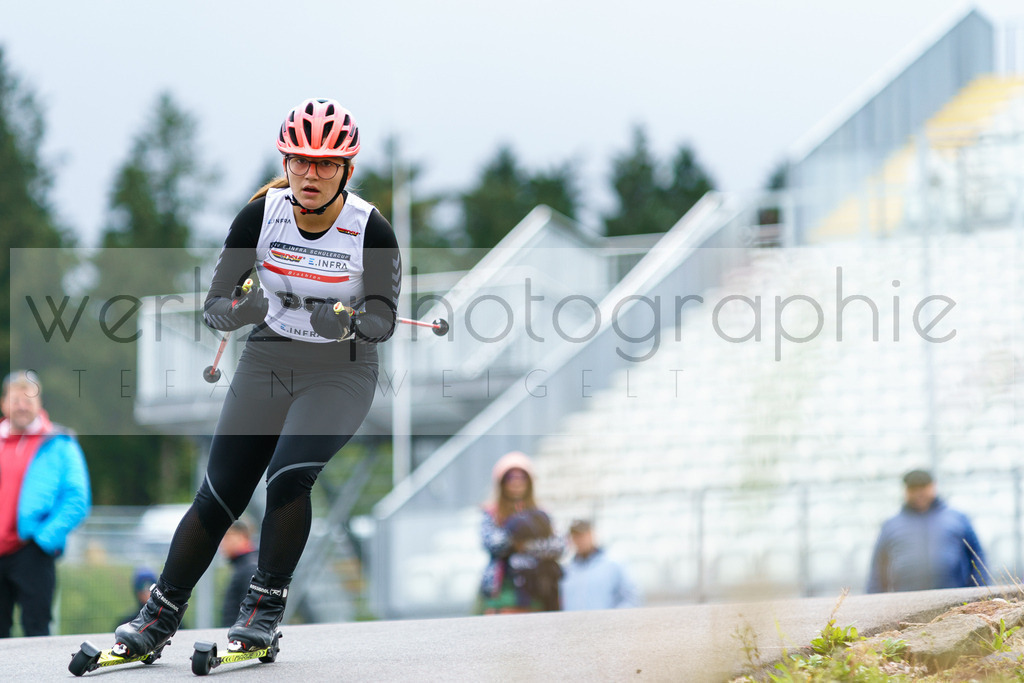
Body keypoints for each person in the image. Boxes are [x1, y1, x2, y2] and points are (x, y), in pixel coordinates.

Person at [113, 97, 401, 656]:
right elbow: (216, 303)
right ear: (286, 161)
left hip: (341, 371)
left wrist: (347, 321)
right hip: (269, 358)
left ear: (347, 169)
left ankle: (264, 607)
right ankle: (159, 614)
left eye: (325, 164)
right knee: (220, 493)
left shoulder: (371, 228)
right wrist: (239, 311)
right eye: (300, 160)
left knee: (289, 475)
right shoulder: (260, 214)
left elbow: (384, 319)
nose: (310, 174)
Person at [0, 370, 91, 637]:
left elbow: (77, 500)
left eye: (29, 399)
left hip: (33, 552)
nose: (22, 405)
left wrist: (42, 541)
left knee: (36, 632)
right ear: (4, 403)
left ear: (40, 404)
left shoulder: (60, 443)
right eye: (15, 399)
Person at [866, 469, 988, 593]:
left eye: (923, 487)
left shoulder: (957, 519)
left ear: (933, 486)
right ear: (905, 491)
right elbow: (878, 568)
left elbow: (977, 558)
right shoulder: (891, 526)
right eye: (913, 489)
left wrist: (980, 594)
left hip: (954, 597)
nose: (919, 493)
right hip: (906, 600)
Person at [479, 452, 564, 614]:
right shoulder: (491, 513)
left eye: (522, 477)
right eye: (511, 477)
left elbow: (559, 545)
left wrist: (523, 544)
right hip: (504, 588)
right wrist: (518, 530)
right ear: (502, 482)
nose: (517, 482)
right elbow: (493, 544)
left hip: (537, 588)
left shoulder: (542, 513)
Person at [560, 519, 641, 611]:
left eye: (582, 535)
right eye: (575, 536)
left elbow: (631, 599)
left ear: (591, 534)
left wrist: (612, 619)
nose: (579, 540)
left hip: (607, 624)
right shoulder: (567, 569)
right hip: (573, 624)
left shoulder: (614, 564)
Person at [218, 519, 258, 628]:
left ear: (242, 536)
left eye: (227, 536)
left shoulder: (250, 568)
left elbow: (251, 614)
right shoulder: (244, 565)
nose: (222, 543)